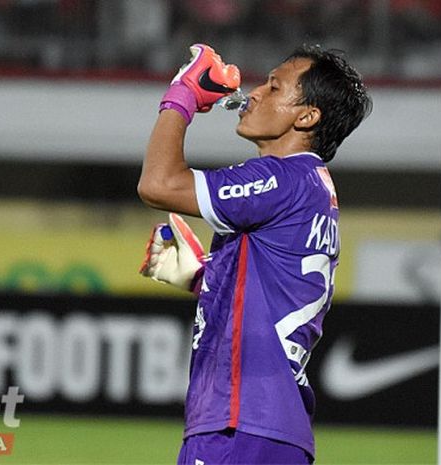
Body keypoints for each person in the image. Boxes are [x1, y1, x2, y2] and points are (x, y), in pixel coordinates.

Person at [138, 43, 372, 465]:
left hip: (239, 421)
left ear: (306, 116)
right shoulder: (314, 186)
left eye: (274, 86)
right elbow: (280, 285)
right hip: (277, 431)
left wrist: (182, 95)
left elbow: (158, 184)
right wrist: (204, 278)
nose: (256, 92)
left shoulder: (280, 180)